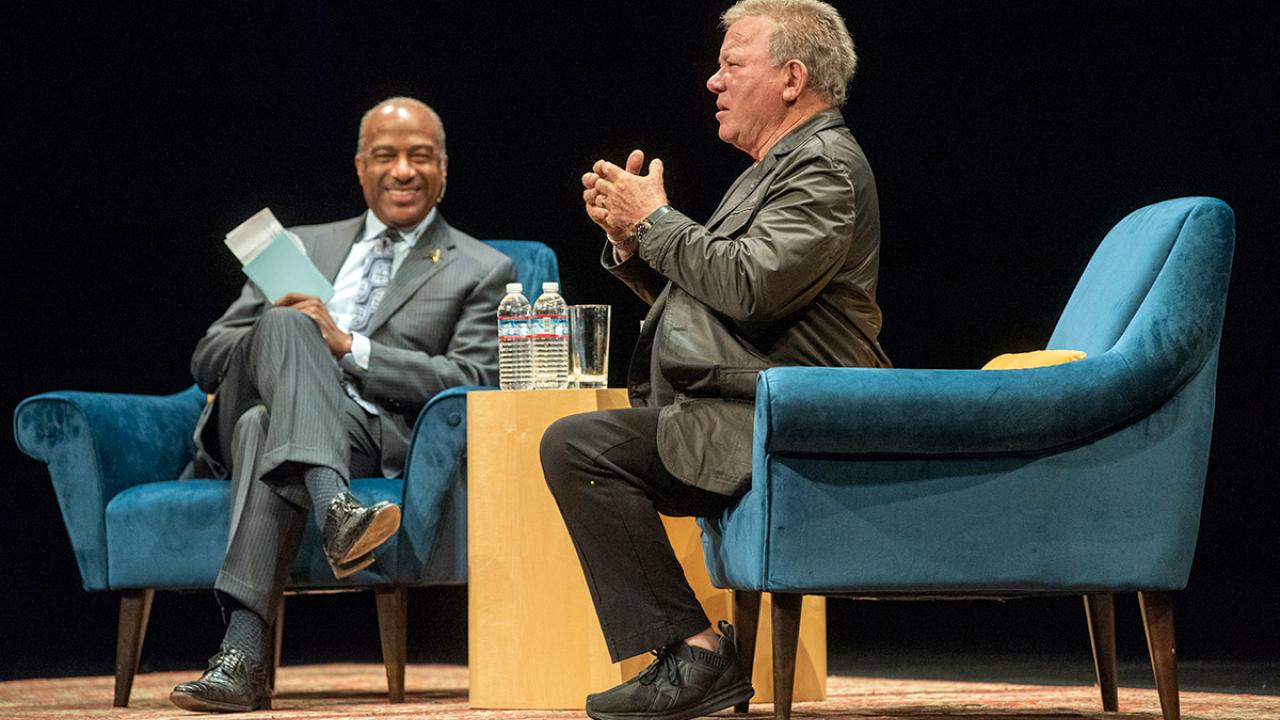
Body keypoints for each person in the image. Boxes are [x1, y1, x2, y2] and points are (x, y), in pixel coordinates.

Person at [540, 1, 890, 718]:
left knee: (582, 448)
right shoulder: (780, 165)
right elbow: (724, 293)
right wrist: (639, 246)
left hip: (797, 413)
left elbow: (749, 286)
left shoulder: (823, 164)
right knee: (582, 445)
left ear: (792, 78)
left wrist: (657, 221)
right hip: (754, 402)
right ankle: (692, 652)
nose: (713, 81)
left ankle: (696, 653)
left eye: (732, 64)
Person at [170, 97, 516, 713]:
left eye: (420, 157)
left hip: (364, 429)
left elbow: (473, 376)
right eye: (386, 156)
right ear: (361, 167)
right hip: (249, 398)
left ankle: (242, 657)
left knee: (261, 425)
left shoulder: (483, 268)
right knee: (284, 330)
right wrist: (288, 332)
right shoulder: (298, 248)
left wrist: (349, 345)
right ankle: (336, 508)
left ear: (443, 169)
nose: (403, 170)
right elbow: (210, 353)